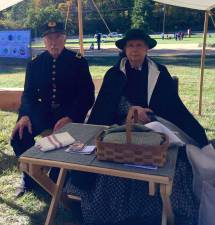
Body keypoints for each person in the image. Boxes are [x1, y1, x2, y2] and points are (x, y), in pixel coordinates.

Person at [65, 29, 210, 225]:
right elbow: (104, 108)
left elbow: (173, 107)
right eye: (131, 45)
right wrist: (129, 111)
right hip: (119, 130)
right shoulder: (114, 74)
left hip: (156, 130)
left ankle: (164, 211)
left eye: (139, 45)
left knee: (178, 163)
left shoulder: (159, 73)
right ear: (125, 49)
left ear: (147, 49)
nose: (134, 50)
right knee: (110, 163)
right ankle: (116, 213)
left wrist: (148, 115)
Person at [10, 21, 95, 197]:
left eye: (57, 37)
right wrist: (24, 115)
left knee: (65, 143)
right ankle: (28, 177)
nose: (53, 42)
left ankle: (58, 172)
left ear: (64, 39)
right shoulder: (35, 64)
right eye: (49, 38)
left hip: (69, 112)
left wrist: (71, 116)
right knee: (20, 135)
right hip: (44, 111)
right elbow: (28, 95)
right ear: (44, 41)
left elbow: (87, 95)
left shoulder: (78, 62)